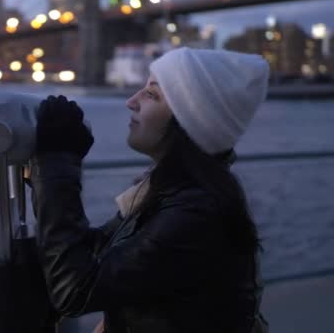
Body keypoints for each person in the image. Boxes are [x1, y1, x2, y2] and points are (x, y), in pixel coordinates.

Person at [28, 47, 270, 333]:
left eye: (151, 94)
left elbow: (76, 291)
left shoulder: (198, 212)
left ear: (189, 121)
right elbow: (100, 253)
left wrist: (57, 164)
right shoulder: (176, 191)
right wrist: (50, 172)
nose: (132, 102)